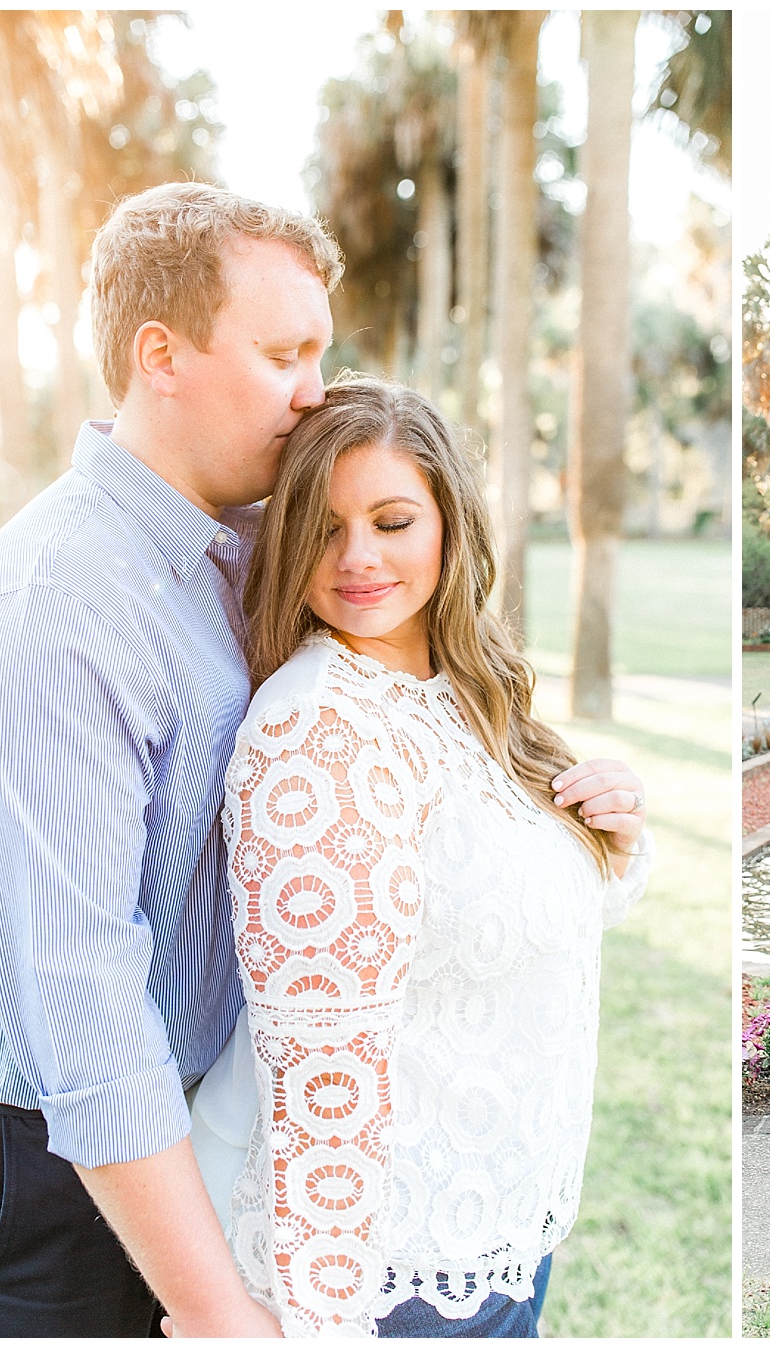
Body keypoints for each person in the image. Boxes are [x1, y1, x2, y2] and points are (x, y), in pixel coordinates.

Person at [0, 180, 339, 1336]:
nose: (315, 390)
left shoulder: (240, 547)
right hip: (31, 1144)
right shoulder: (50, 610)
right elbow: (78, 1008)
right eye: (284, 351)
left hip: (172, 1117)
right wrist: (220, 1314)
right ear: (160, 354)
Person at [184, 376, 652, 1337]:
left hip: (502, 1237)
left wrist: (614, 841)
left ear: (450, 522)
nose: (356, 558)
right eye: (322, 526)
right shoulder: (321, 734)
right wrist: (320, 1322)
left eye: (393, 520)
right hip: (390, 1279)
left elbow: (512, 921)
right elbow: (323, 1072)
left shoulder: (466, 693)